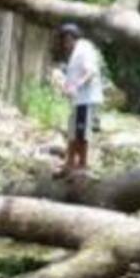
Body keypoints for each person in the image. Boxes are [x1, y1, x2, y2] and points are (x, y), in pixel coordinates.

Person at [55, 23, 104, 178]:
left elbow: (91, 72)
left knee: (81, 134)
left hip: (85, 100)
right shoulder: (76, 52)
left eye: (66, 40)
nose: (64, 44)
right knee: (72, 132)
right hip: (78, 100)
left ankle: (82, 165)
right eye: (63, 41)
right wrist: (66, 86)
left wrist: (76, 85)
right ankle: (69, 164)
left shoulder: (84, 50)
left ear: (72, 38)